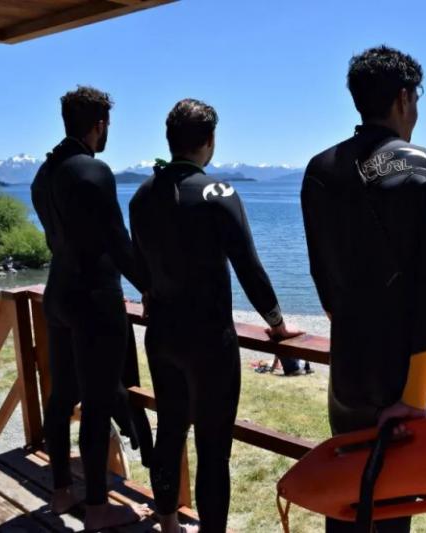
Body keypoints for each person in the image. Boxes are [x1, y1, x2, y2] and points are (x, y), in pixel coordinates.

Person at [301, 45, 426, 533]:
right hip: (409, 371)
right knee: (393, 508)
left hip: (349, 366)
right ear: (405, 98)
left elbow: (322, 276)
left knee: (347, 500)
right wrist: (415, 393)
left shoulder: (319, 169)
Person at [130, 99, 302, 533]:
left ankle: (167, 524)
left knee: (170, 432)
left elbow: (139, 262)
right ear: (208, 141)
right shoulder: (216, 192)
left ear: (171, 141)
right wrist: (277, 323)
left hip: (162, 333)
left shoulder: (141, 196)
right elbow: (248, 265)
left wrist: (149, 291)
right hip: (209, 341)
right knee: (212, 447)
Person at [31, 86, 150, 530]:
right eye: (106, 126)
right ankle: (98, 507)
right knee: (98, 404)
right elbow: (118, 242)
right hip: (95, 299)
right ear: (99, 124)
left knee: (62, 397)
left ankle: (61, 492)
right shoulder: (92, 171)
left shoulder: (44, 174)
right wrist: (153, 289)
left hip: (58, 293)